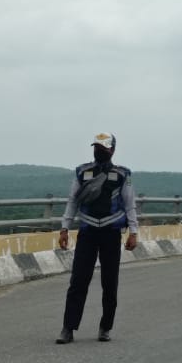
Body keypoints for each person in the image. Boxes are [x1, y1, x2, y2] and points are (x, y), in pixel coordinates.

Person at [55, 132, 139, 344]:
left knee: (109, 283)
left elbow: (129, 204)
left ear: (112, 150)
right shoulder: (82, 172)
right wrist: (65, 227)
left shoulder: (122, 174)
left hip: (111, 232)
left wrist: (133, 231)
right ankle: (68, 328)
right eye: (96, 147)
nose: (98, 151)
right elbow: (72, 201)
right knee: (78, 281)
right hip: (88, 231)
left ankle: (105, 327)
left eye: (102, 148)